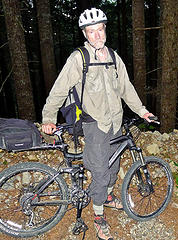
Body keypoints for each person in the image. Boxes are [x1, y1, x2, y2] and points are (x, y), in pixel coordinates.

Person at [42, 7, 154, 240]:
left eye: (100, 30)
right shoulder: (78, 58)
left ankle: (109, 196)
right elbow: (59, 89)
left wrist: (142, 111)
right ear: (85, 34)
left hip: (115, 122)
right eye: (91, 32)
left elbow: (126, 88)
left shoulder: (113, 57)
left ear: (105, 30)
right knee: (101, 171)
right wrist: (48, 118)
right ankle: (98, 216)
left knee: (114, 166)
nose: (97, 35)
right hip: (94, 124)